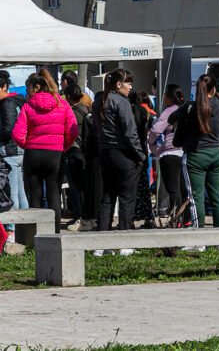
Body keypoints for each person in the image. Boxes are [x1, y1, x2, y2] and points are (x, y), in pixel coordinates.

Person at [12, 69, 78, 232]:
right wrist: (63, 146)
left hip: (33, 153)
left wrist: (27, 145)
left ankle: (36, 233)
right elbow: (73, 130)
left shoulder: (28, 106)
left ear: (37, 87)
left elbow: (16, 134)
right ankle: (54, 232)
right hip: (55, 154)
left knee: (34, 196)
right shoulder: (63, 104)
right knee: (54, 194)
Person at [93, 69, 144, 237]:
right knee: (126, 198)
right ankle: (124, 239)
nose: (131, 87)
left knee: (107, 197)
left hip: (105, 153)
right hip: (123, 154)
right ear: (119, 84)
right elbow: (130, 132)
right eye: (128, 83)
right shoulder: (121, 102)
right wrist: (140, 155)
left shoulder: (99, 101)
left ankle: (102, 241)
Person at [174, 74, 219, 229]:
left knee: (195, 197)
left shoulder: (190, 107)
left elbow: (172, 118)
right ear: (214, 89)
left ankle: (199, 238)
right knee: (217, 197)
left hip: (195, 155)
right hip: (215, 154)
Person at [0, 70, 27, 214]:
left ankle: (13, 227)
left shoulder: (7, 104)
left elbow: (7, 131)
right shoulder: (15, 101)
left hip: (10, 151)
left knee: (12, 193)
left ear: (4, 86)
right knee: (21, 192)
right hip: (17, 150)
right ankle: (25, 227)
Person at [148, 85, 187, 220]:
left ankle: (176, 220)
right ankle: (185, 219)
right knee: (184, 190)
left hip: (169, 153)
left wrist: (152, 146)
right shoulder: (186, 109)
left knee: (173, 190)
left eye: (165, 95)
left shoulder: (169, 111)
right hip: (185, 153)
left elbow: (155, 130)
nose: (163, 98)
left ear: (169, 97)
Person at [63, 84, 90, 229]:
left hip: (73, 149)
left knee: (75, 187)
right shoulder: (87, 110)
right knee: (84, 187)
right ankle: (85, 215)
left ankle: (79, 216)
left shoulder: (70, 113)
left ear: (68, 97)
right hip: (86, 152)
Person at [131, 90, 155, 224]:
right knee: (144, 186)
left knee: (130, 188)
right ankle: (147, 218)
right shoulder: (146, 113)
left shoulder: (129, 112)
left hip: (131, 152)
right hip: (143, 149)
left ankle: (131, 218)